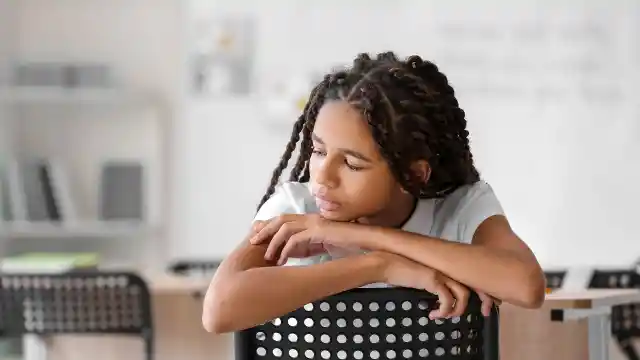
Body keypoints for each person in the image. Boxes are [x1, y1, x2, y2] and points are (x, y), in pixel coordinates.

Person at [202, 52, 546, 334]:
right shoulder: (297, 207)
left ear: (413, 174)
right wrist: (379, 266)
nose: (322, 176)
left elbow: (526, 286)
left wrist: (359, 235)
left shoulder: (459, 206)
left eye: (352, 164)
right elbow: (219, 311)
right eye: (319, 151)